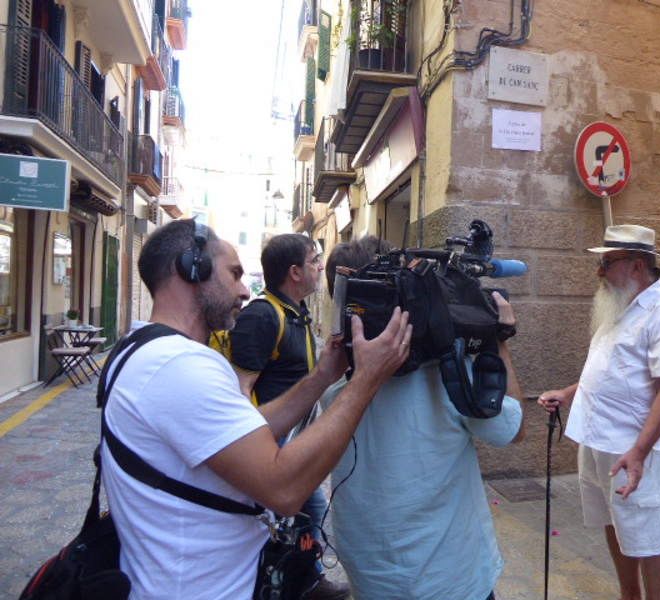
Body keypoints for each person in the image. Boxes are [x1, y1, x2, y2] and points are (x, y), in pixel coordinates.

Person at [101, 219, 412, 599]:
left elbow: (245, 430)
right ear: (190, 268)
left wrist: (323, 376)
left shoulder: (144, 350)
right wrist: (367, 379)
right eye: (233, 274)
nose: (245, 290)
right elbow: (283, 490)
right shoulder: (179, 366)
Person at [321, 236, 525, 600]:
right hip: (450, 582)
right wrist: (500, 338)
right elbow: (513, 429)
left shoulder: (333, 379)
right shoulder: (449, 376)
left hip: (372, 581)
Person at [538, 224, 660, 600]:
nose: (599, 271)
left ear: (638, 266)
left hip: (632, 447)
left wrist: (639, 452)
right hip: (596, 440)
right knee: (614, 521)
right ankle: (629, 595)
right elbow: (608, 372)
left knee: (647, 535)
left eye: (607, 262)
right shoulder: (620, 305)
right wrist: (568, 393)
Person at [227, 233, 348, 600]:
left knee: (310, 510)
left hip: (294, 438)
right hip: (270, 442)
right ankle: (272, 581)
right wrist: (257, 454)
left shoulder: (296, 312)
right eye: (314, 260)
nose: (318, 267)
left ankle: (307, 579)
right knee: (277, 520)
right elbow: (239, 389)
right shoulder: (263, 316)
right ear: (295, 272)